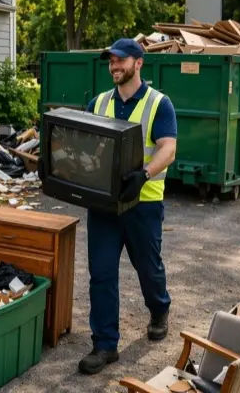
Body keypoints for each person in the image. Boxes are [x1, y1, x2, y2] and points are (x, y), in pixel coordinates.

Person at [80, 38, 177, 375]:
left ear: (139, 63)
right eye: (111, 61)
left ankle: (159, 308)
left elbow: (168, 149)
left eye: (120, 60)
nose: (114, 66)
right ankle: (105, 345)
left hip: (143, 203)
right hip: (104, 206)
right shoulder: (97, 103)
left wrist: (145, 174)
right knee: (101, 274)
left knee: (148, 267)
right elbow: (84, 148)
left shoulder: (158, 104)